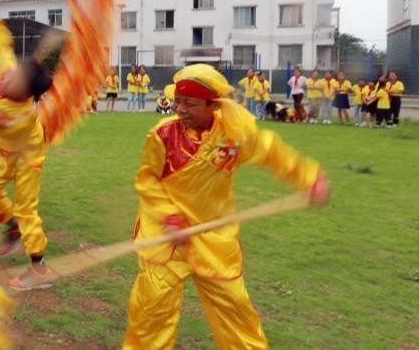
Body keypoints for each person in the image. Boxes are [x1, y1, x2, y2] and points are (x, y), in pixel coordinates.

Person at [123, 64, 330, 349]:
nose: (181, 110)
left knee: (235, 308)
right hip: (167, 237)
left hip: (213, 236)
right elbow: (147, 180)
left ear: (213, 105)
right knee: (151, 310)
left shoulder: (233, 134)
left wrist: (309, 178)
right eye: (178, 102)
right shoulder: (163, 135)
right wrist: (169, 216)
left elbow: (271, 150)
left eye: (190, 104)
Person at [0, 56, 56, 290]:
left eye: (19, 80)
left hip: (27, 155)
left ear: (27, 94)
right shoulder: (10, 85)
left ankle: (39, 268)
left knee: (25, 210)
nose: (12, 78)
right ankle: (11, 225)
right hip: (5, 151)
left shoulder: (21, 115)